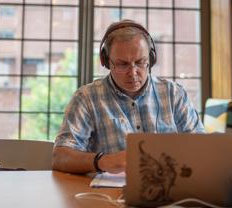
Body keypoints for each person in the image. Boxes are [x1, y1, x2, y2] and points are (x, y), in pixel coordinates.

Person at [52, 20, 205, 174]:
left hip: (169, 192)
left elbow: (202, 149)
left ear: (151, 59)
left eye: (140, 62)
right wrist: (103, 161)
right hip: (107, 196)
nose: (133, 73)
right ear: (107, 62)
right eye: (122, 64)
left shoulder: (174, 94)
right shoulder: (86, 98)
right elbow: (60, 157)